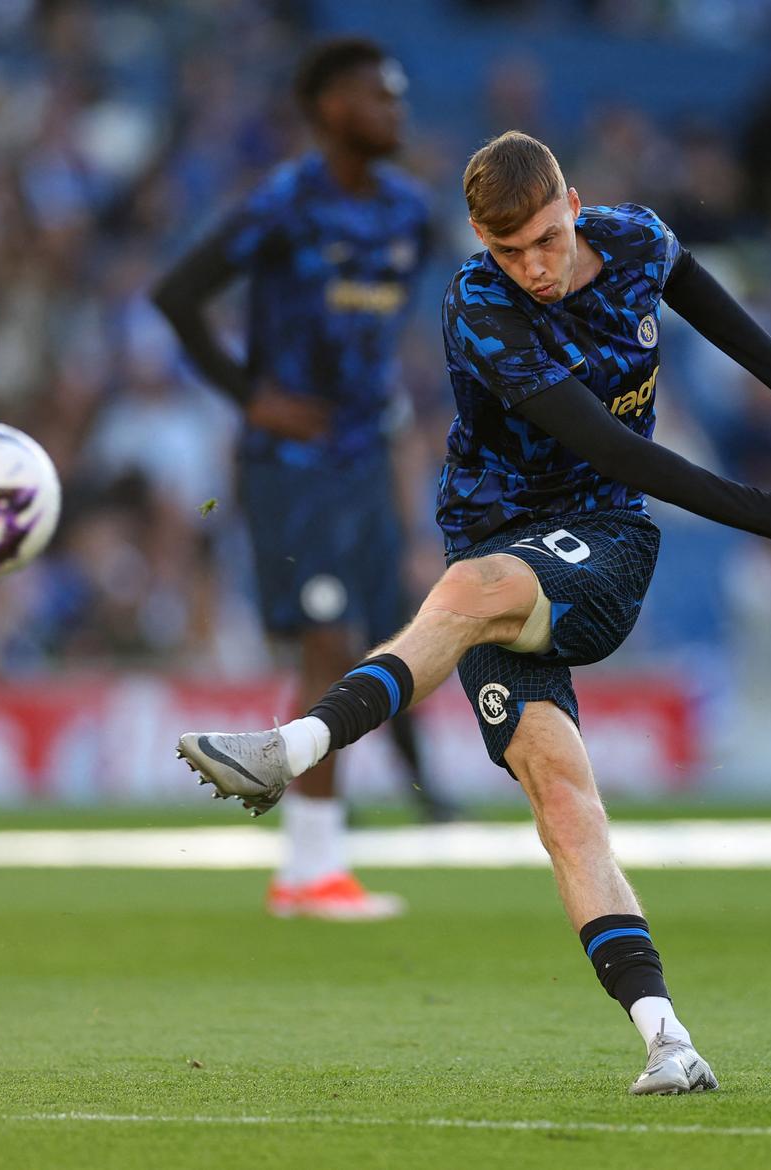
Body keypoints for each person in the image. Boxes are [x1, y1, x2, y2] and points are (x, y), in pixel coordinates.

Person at [177, 130, 771, 1094]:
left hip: (603, 545)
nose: (530, 267)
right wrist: (768, 515)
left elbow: (698, 299)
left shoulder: (639, 240)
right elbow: (613, 444)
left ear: (572, 202)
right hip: (502, 549)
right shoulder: (479, 308)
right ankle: (668, 1039)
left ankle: (294, 748)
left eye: (541, 240)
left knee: (469, 591)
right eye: (507, 250)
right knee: (563, 804)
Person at [151, 38, 445, 923]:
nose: (395, 110)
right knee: (330, 637)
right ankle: (312, 868)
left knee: (362, 643)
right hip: (290, 461)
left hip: (364, 456)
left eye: (399, 96)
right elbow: (178, 295)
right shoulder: (285, 202)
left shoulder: (410, 211)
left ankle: (311, 855)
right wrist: (254, 396)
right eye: (376, 97)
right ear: (328, 109)